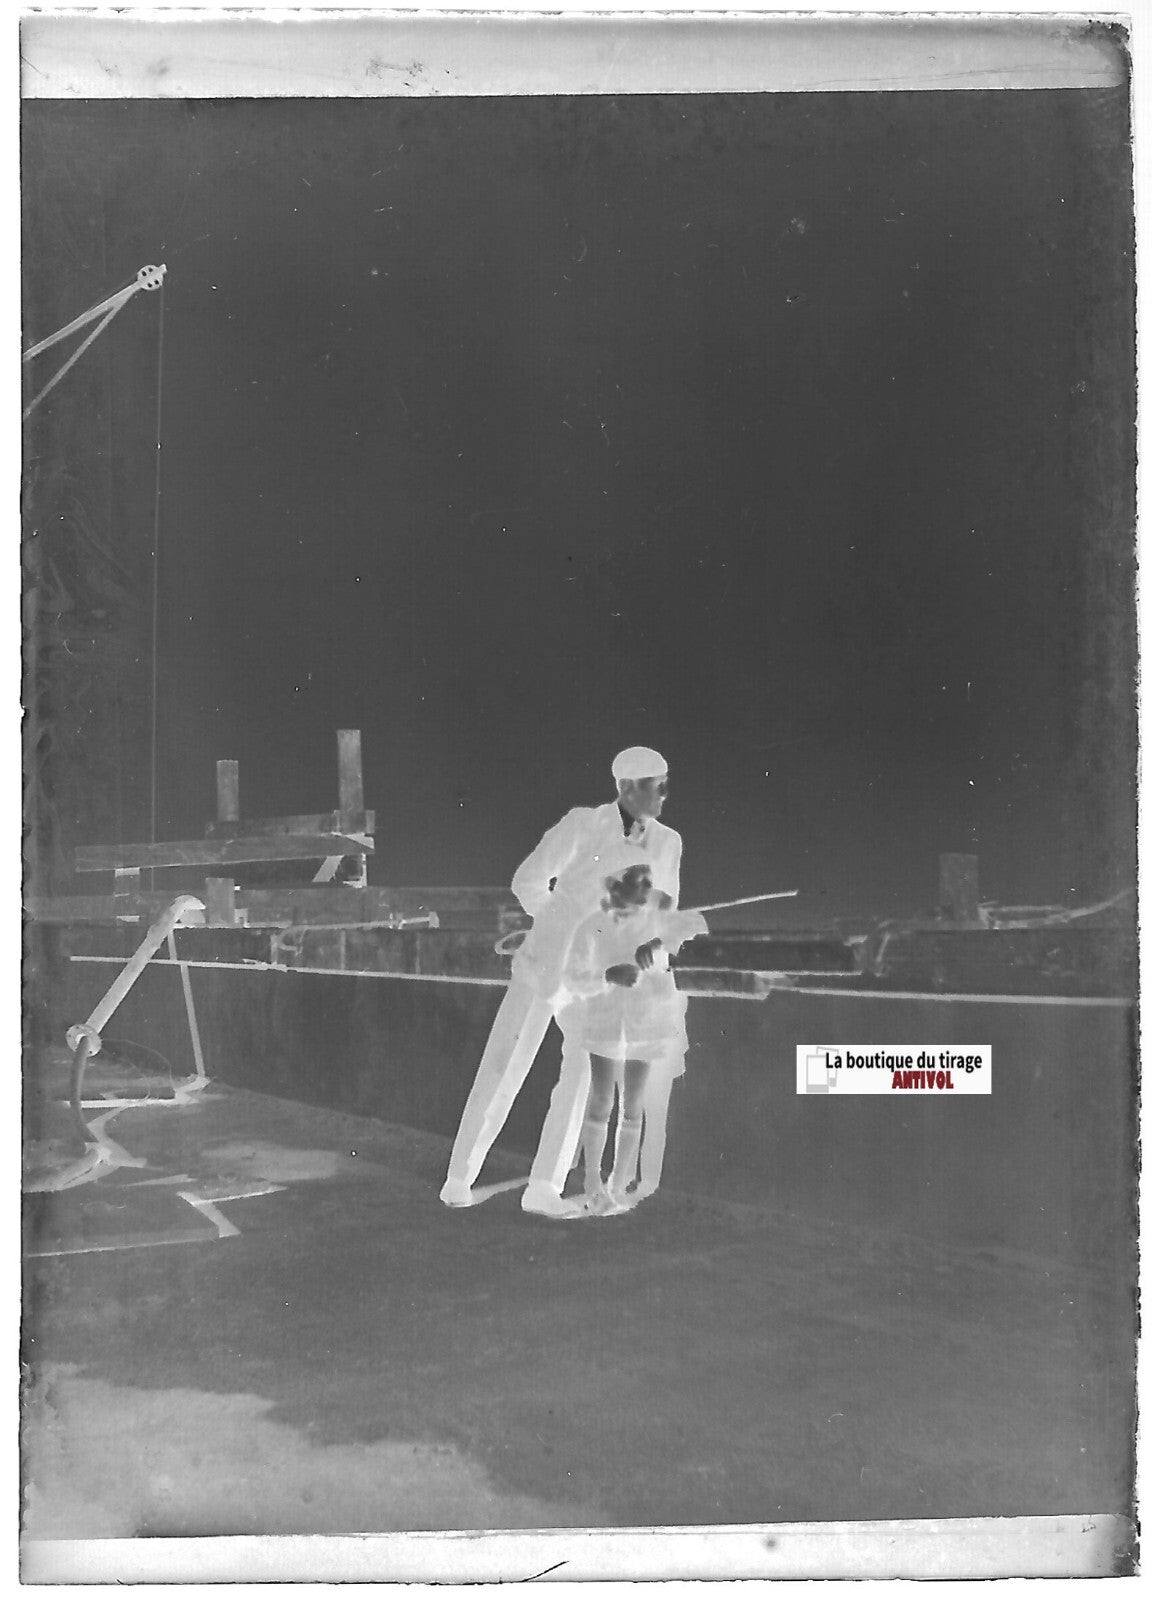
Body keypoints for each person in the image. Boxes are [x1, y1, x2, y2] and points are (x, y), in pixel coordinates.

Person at [439, 747, 681, 1212]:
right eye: (656, 783)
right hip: (545, 965)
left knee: (583, 1073)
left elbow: (664, 910)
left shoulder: (668, 843)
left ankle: (544, 1188)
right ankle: (458, 1177)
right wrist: (558, 925)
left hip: (599, 974)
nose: (665, 793)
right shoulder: (581, 825)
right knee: (504, 1065)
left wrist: (654, 943)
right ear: (626, 787)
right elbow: (528, 881)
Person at [554, 864, 707, 1213]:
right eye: (640, 881)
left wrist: (660, 942)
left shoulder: (657, 919)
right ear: (615, 885)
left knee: (633, 1106)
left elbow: (696, 925)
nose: (649, 887)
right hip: (604, 1024)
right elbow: (573, 977)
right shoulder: (592, 925)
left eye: (651, 881)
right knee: (600, 1102)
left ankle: (617, 1186)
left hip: (645, 1025)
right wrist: (608, 975)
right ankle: (592, 1183)